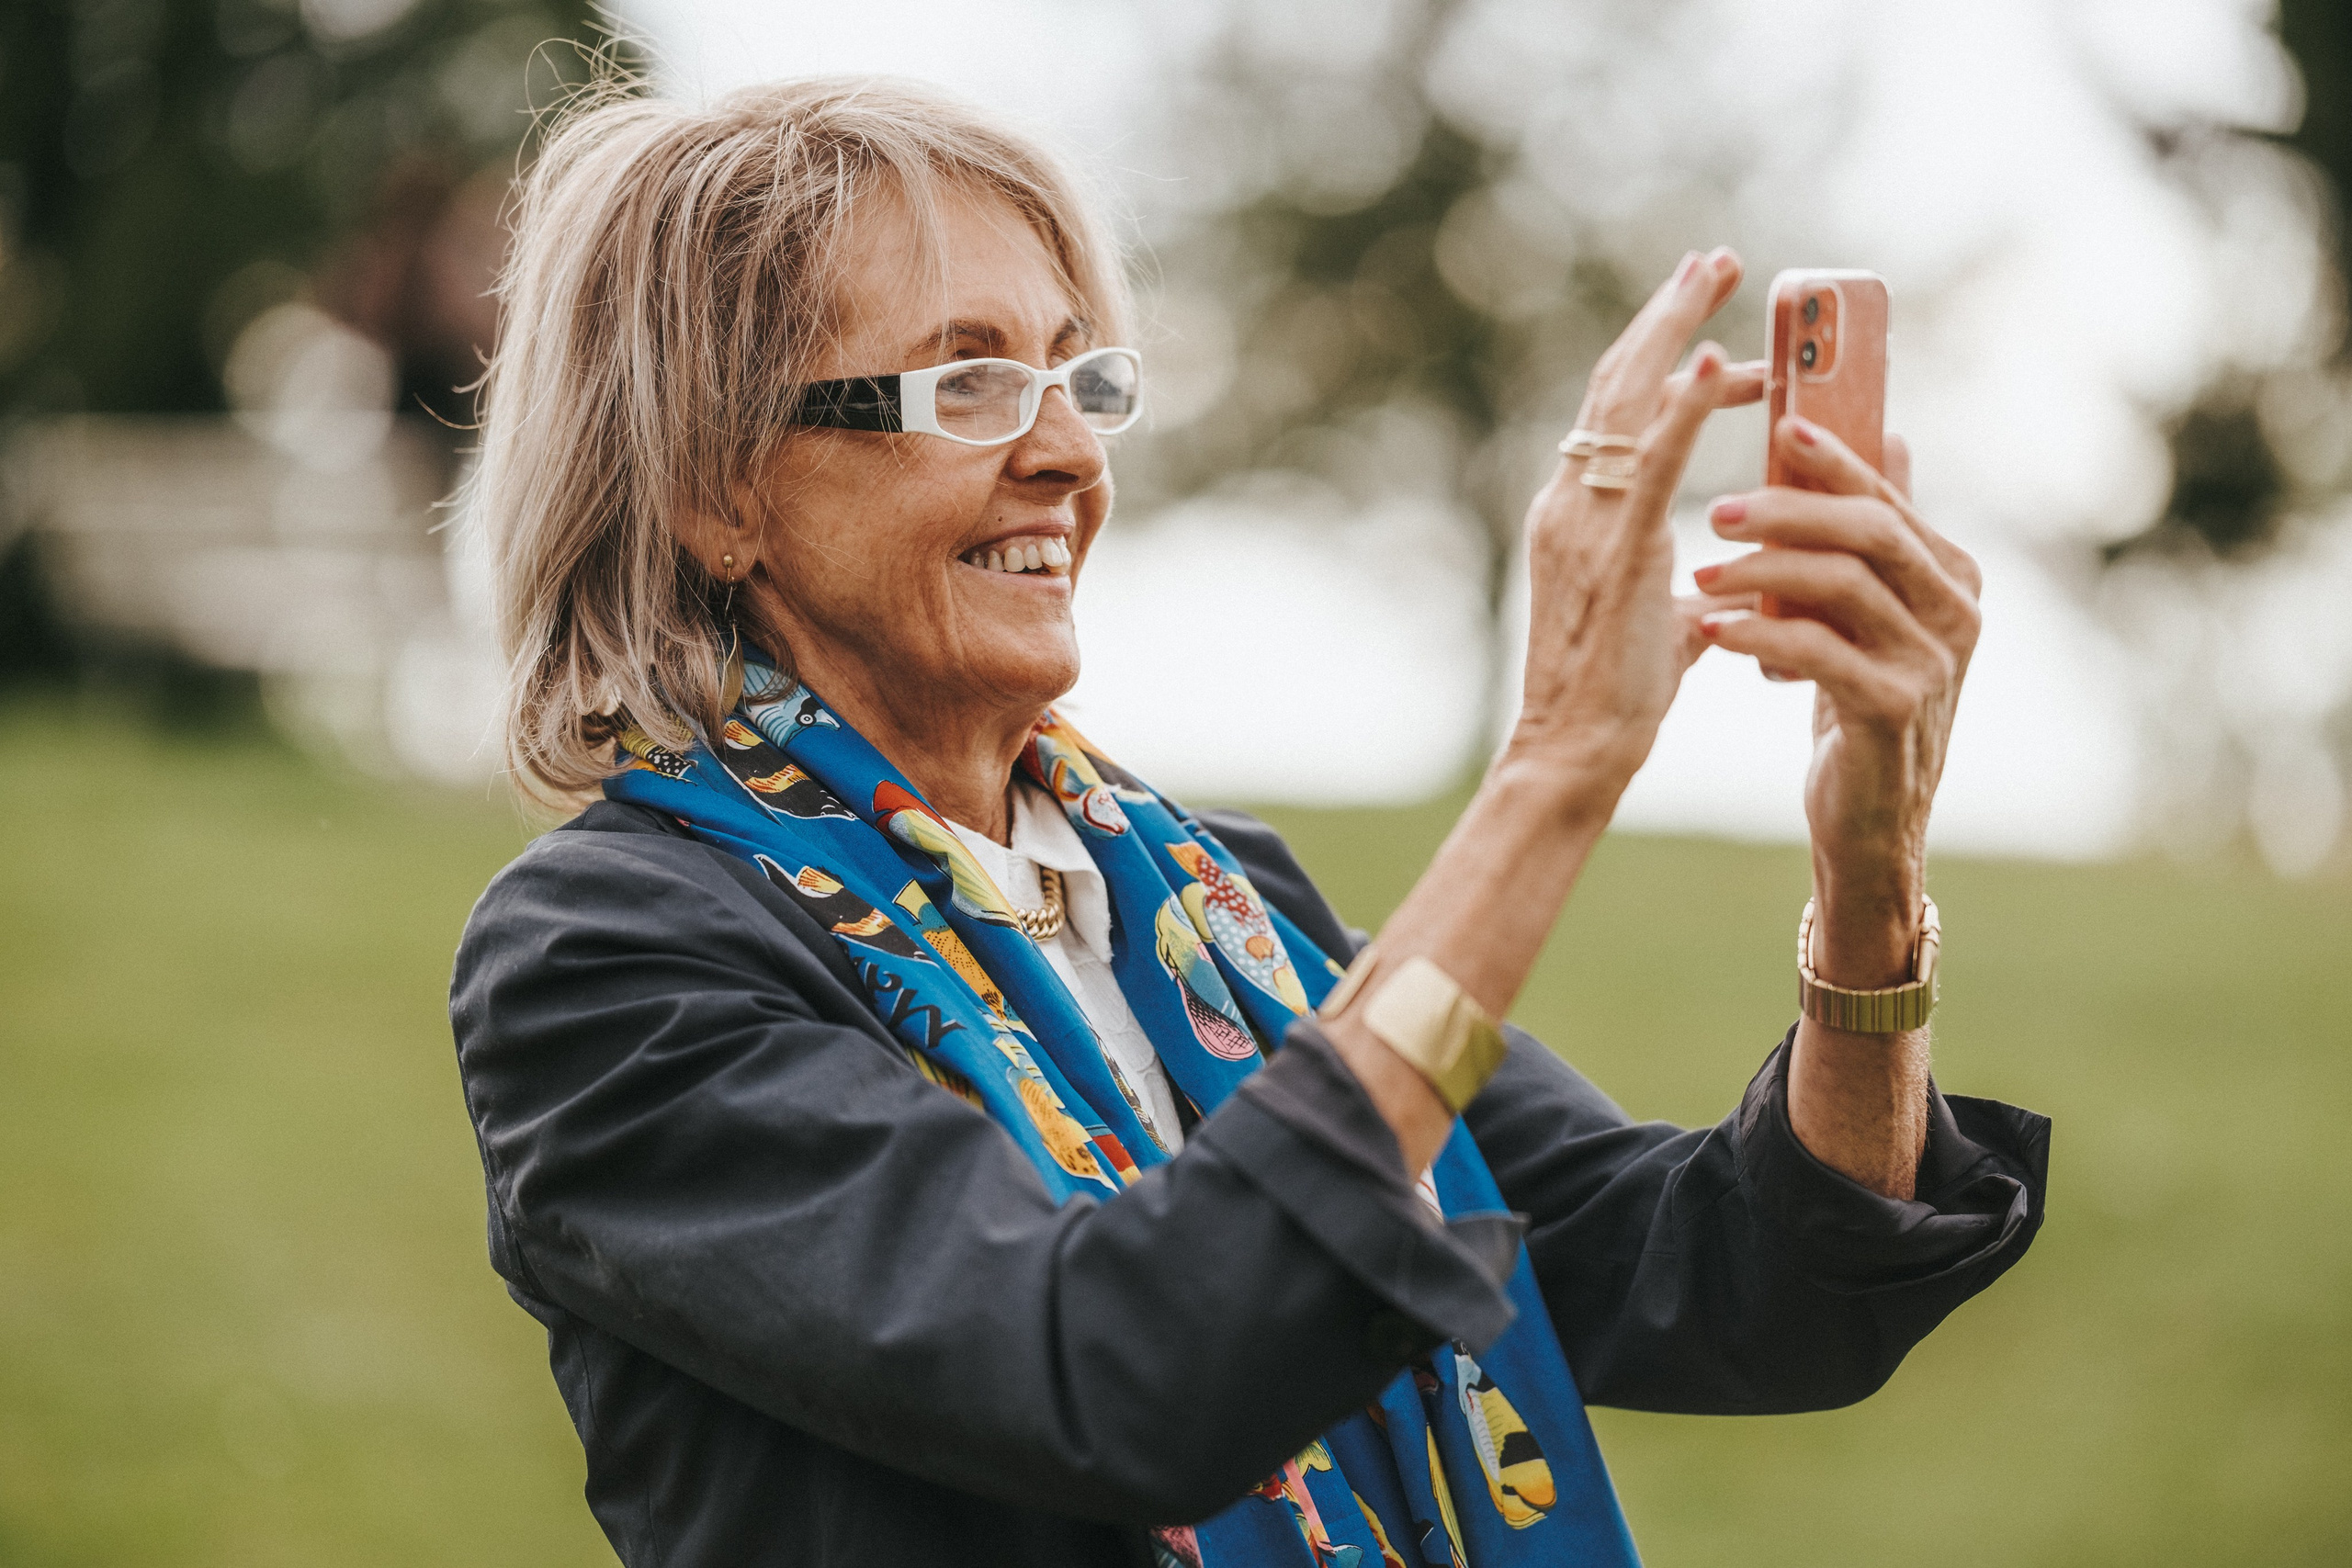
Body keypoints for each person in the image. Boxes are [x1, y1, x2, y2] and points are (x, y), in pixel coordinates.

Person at [450, 75, 2047, 1568]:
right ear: (714, 488)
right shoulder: (606, 962)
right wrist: (1559, 761)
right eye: (972, 383)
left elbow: (1736, 1280)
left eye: (1080, 376)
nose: (1069, 452)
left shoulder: (1212, 906)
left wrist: (1870, 871)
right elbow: (1120, 1368)